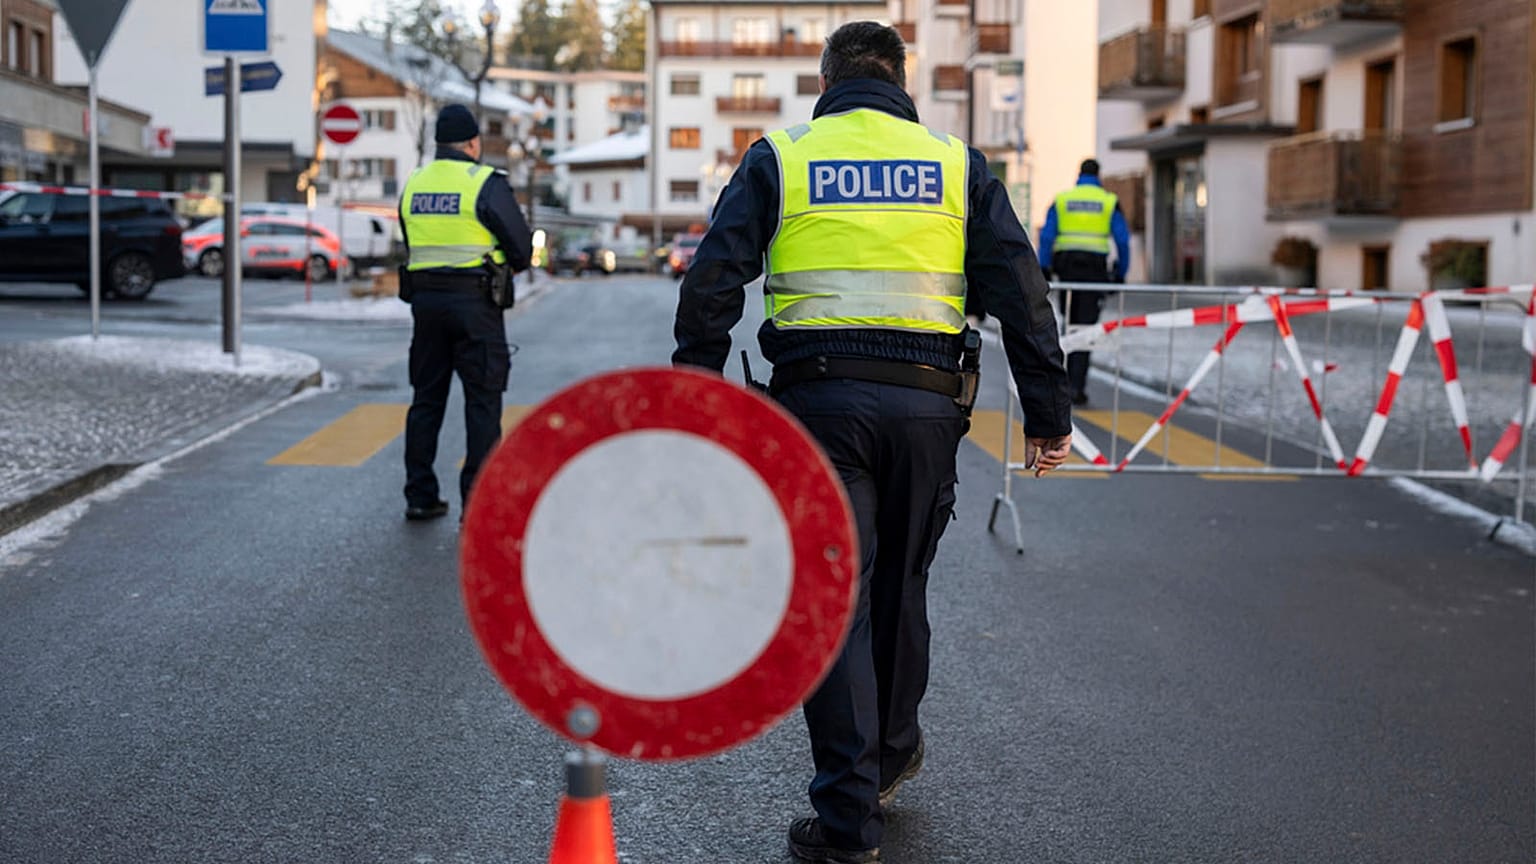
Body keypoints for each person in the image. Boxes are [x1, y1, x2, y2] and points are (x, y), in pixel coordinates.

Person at [671, 22, 1073, 863]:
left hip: (819, 407)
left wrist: (699, 391)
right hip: (930, 409)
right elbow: (1020, 288)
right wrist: (1047, 411)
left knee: (835, 599)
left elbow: (714, 277)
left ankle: (849, 824)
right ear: (902, 77)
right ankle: (888, 758)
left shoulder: (782, 155)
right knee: (902, 583)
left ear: (827, 79)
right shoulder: (956, 164)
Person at [397, 104, 533, 521]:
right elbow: (522, 249)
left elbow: (410, 239)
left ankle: (420, 495)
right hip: (475, 304)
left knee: (426, 399)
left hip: (425, 305)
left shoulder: (415, 183)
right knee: (482, 401)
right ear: (473, 143)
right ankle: (476, 502)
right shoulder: (484, 183)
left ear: (439, 143)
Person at [1038, 158, 1132, 405]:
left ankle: (1061, 385)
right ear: (1098, 176)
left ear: (1079, 174)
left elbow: (1047, 236)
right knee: (1087, 330)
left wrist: (1044, 268)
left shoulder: (1062, 200)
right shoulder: (1108, 202)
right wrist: (1120, 274)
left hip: (1066, 271)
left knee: (1068, 326)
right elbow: (1122, 241)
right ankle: (1076, 387)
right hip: (1094, 273)